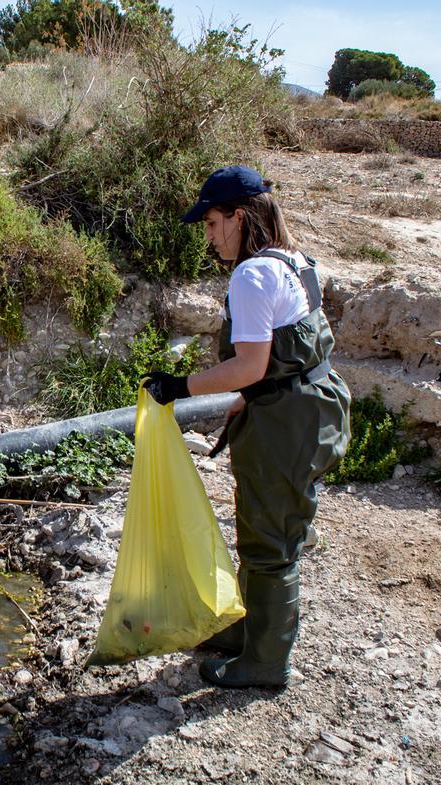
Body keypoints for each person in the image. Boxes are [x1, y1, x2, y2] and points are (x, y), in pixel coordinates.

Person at [143, 165, 350, 689]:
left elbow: (251, 364)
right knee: (265, 526)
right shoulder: (295, 262)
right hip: (310, 405)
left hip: (288, 422)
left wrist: (179, 385)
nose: (209, 236)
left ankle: (265, 663)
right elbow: (287, 353)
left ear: (240, 216)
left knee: (270, 543)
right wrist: (246, 400)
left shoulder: (252, 274)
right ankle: (246, 632)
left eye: (213, 223)